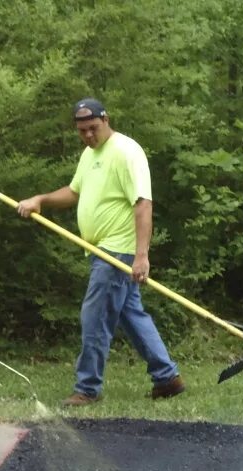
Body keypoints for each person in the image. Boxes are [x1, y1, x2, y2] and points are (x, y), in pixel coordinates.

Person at [17, 97, 185, 406]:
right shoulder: (89, 154)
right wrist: (40, 199)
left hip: (117, 253)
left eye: (93, 128)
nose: (89, 136)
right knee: (131, 315)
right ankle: (166, 378)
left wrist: (141, 256)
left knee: (94, 317)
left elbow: (143, 203)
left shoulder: (125, 152)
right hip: (103, 250)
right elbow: (74, 191)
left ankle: (87, 388)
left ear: (106, 119)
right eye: (82, 131)